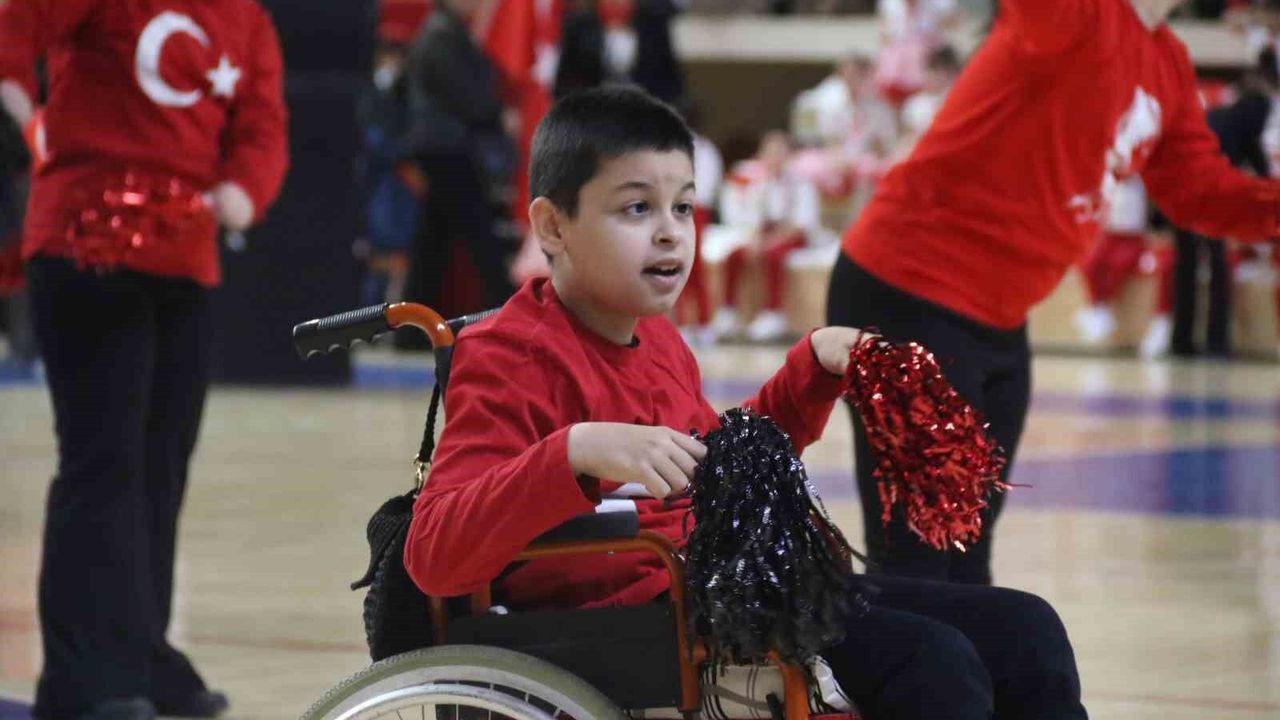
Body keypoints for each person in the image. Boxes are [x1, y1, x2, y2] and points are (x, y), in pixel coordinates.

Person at [405, 86, 1088, 720]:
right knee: (933, 663)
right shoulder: (509, 357)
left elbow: (725, 470)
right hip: (639, 626)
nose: (671, 232)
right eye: (637, 208)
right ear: (552, 227)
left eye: (683, 207)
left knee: (1027, 629)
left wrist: (810, 370)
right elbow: (434, 553)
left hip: (723, 593)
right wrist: (576, 451)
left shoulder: (659, 339)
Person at [827, 0, 1280, 586]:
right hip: (907, 292)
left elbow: (1199, 191)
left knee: (966, 557)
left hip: (998, 321)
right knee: (918, 563)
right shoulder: (1073, 12)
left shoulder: (1167, 59)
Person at [0, 0, 289, 718]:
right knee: (103, 465)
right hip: (84, 248)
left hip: (184, 262)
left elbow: (262, 125)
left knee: (160, 468)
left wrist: (243, 189)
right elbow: (14, 28)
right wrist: (26, 118)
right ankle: (79, 679)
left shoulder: (246, 19)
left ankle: (139, 654)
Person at [403, 0, 517, 318]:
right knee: (480, 236)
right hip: (446, 150)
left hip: (440, 147)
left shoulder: (443, 32)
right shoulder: (441, 36)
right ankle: (507, 312)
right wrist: (498, 116)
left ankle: (412, 323)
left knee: (432, 243)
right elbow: (468, 96)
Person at [711, 130, 822, 342]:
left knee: (772, 256)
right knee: (735, 255)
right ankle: (729, 311)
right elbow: (753, 218)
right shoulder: (759, 181)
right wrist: (756, 240)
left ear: (788, 155)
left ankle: (773, 313)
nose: (774, 157)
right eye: (769, 152)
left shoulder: (801, 183)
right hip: (765, 234)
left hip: (793, 235)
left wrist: (772, 240)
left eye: (779, 152)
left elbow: (802, 223)